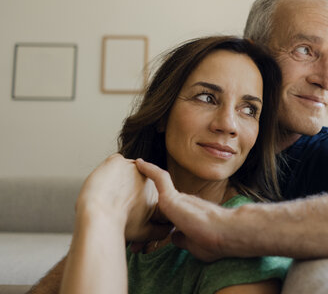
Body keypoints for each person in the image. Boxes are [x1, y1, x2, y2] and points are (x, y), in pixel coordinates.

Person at [28, 0, 328, 293]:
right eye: (307, 50)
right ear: (257, 54)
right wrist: (104, 216)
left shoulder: (327, 154)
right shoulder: (152, 181)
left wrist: (227, 229)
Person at [56, 36, 292, 294]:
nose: (228, 124)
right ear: (162, 115)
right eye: (206, 98)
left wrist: (100, 209)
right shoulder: (135, 206)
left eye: (249, 110)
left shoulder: (245, 242)